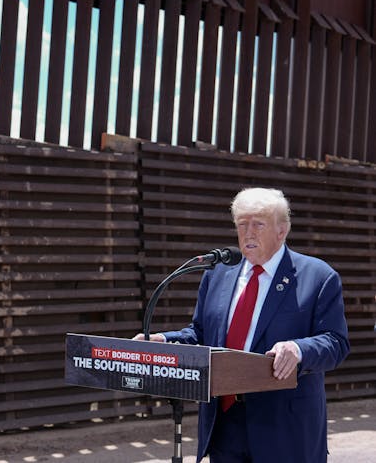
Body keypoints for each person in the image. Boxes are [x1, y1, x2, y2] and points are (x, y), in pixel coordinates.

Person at [134, 187, 350, 462]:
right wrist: (164, 341)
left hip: (284, 427)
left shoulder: (318, 277)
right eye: (242, 225)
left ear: (281, 231)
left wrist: (298, 349)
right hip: (224, 422)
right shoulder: (218, 274)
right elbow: (201, 333)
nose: (248, 233)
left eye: (258, 225)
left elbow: (335, 341)